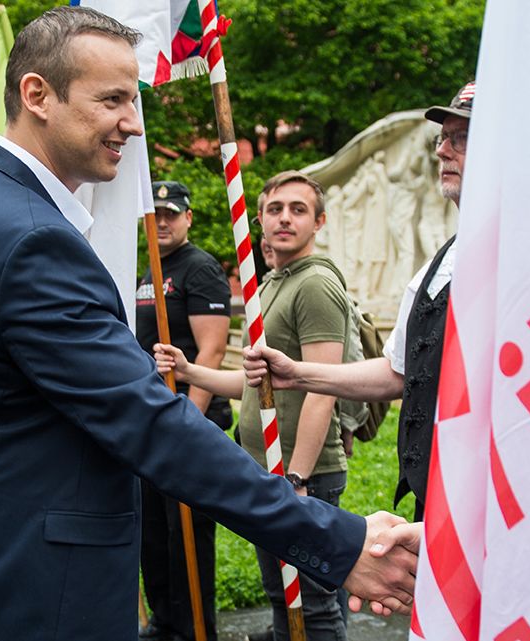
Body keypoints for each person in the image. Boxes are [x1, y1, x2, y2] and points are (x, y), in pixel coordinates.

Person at [0, 8, 415, 641]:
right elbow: (148, 423)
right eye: (113, 100)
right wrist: (337, 538)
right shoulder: (31, 240)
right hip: (29, 585)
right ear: (36, 94)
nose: (133, 122)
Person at [241, 82, 477, 521]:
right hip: (440, 497)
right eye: (441, 139)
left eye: (460, 139)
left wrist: (298, 475)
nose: (442, 151)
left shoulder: (529, 257)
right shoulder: (440, 264)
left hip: (498, 499)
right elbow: (396, 371)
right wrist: (297, 374)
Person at [155, 170, 352, 641]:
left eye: (298, 210)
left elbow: (324, 386)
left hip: (303, 476)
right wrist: (189, 370)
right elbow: (251, 386)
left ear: (319, 222)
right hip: (270, 472)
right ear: (259, 219)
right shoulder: (270, 284)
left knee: (314, 609)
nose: (285, 218)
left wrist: (297, 482)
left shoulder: (315, 284)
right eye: (275, 209)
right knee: (285, 605)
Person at [135, 180, 231, 641]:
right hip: (151, 422)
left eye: (172, 213)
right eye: (156, 214)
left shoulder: (200, 269)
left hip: (191, 421)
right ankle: (165, 622)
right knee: (152, 532)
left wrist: (185, 422)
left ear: (188, 217)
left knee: (187, 534)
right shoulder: (146, 270)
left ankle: (196, 630)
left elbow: (211, 350)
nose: (165, 222)